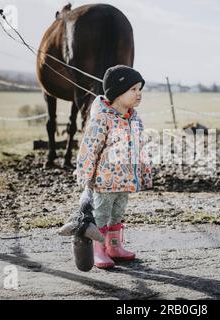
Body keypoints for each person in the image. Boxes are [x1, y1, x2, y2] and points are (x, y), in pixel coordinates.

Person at [60, 65, 153, 269]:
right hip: (104, 181)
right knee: (100, 216)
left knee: (118, 214)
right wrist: (85, 173)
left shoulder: (135, 119)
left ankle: (114, 246)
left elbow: (141, 148)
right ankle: (98, 250)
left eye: (140, 89)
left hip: (126, 180)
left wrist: (145, 172)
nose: (139, 94)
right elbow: (89, 147)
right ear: (117, 93)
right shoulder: (102, 118)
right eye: (133, 89)